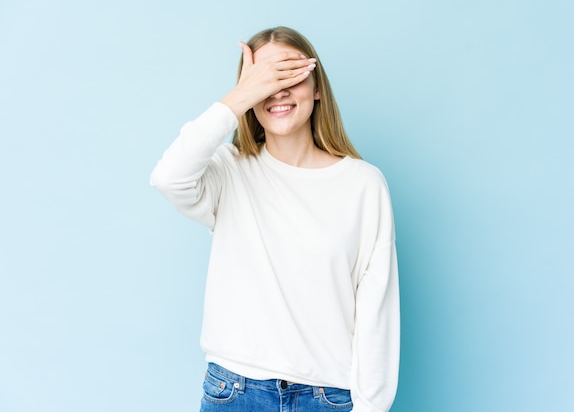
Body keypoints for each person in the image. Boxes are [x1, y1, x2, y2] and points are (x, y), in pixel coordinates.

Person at [150, 26, 400, 412]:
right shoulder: (228, 172)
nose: (278, 91)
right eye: (266, 79)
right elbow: (168, 177)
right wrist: (240, 96)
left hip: (328, 398)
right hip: (234, 392)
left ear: (317, 87)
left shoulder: (363, 184)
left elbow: (376, 313)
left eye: (290, 75)